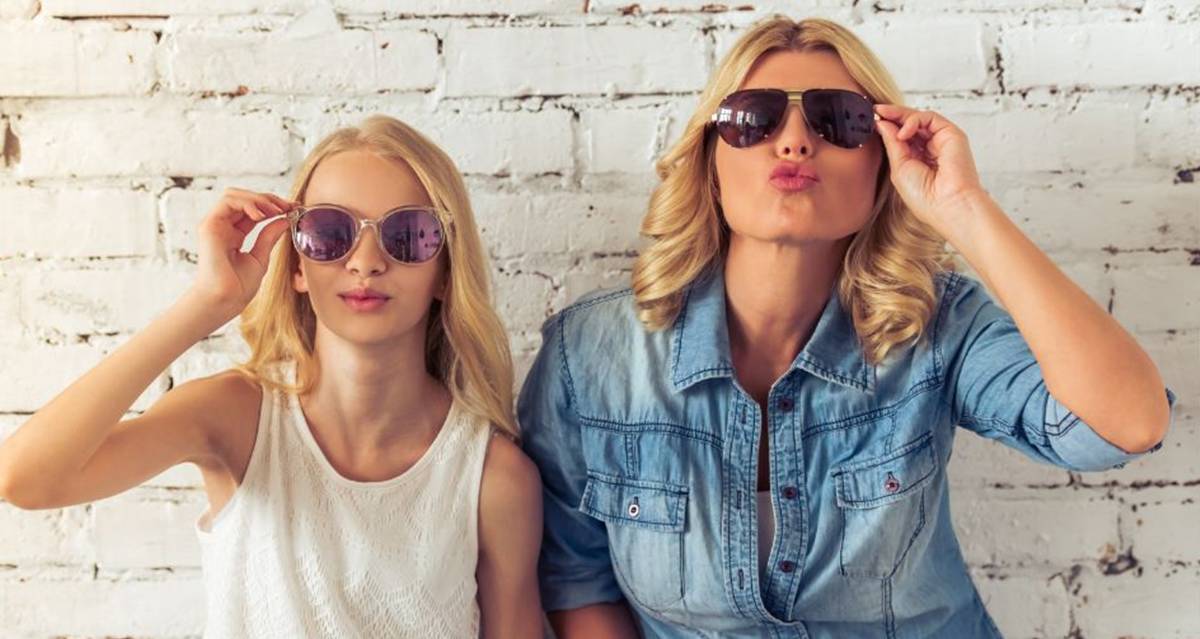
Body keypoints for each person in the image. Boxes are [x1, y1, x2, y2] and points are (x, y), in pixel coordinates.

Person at [518, 16, 1175, 638]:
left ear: (883, 165)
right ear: (709, 162)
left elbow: (1125, 424)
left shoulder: (939, 324)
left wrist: (965, 211)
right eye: (754, 117)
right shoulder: (591, 355)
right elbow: (577, 580)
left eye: (840, 119)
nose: (797, 140)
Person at [0, 115, 544, 638]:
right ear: (298, 264)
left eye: (409, 234)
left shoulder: (493, 477)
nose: (366, 261)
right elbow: (25, 480)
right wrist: (207, 304)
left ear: (446, 269)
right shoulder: (235, 418)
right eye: (332, 232)